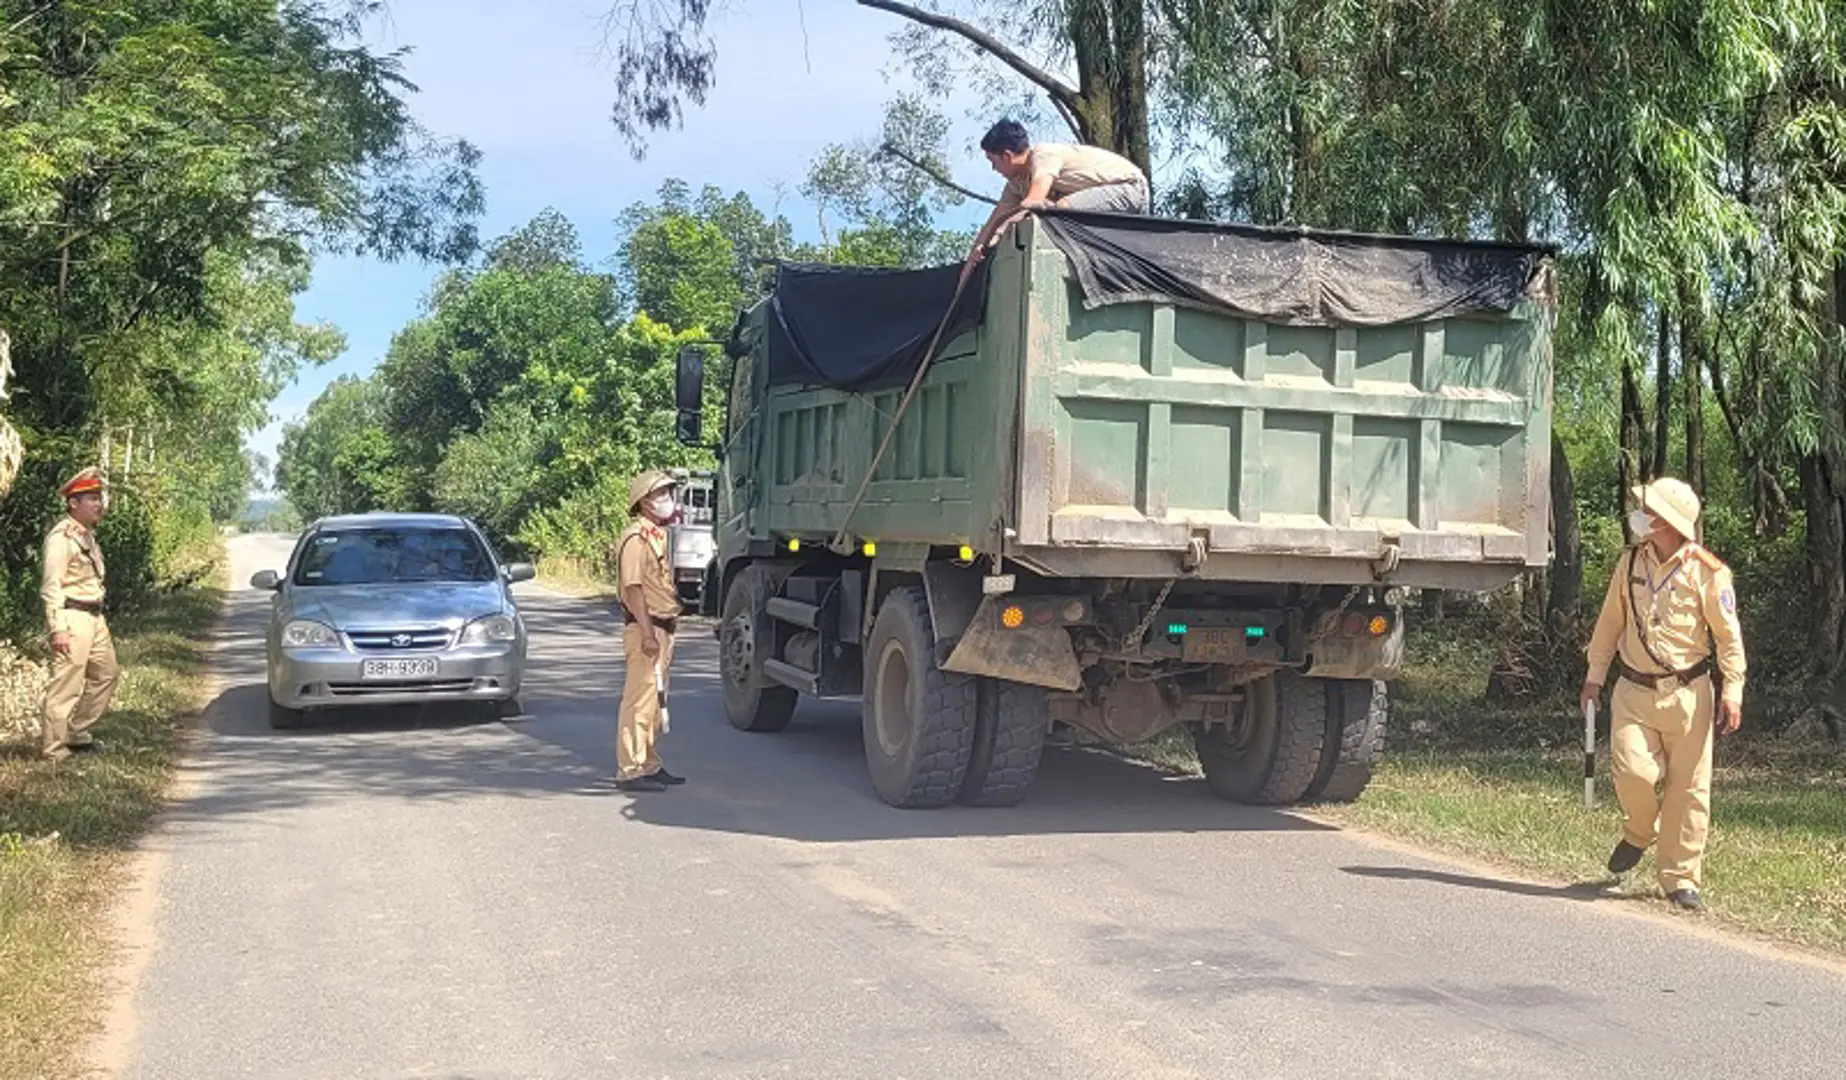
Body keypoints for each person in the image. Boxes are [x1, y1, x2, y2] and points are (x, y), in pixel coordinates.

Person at [1581, 476, 1746, 911]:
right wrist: (1594, 675)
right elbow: (1609, 622)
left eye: (1650, 513)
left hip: (1689, 695)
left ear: (1670, 523)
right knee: (1632, 770)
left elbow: (1728, 638)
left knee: (1689, 790)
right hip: (1633, 691)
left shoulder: (1709, 573)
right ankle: (1639, 831)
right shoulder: (1630, 563)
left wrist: (1733, 689)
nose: (1642, 517)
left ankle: (1680, 878)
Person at [962, 119, 1149, 277]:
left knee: (1056, 210)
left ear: (1007, 156)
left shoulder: (1044, 155)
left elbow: (1034, 201)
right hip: (1102, 201)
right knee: (1050, 212)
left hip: (1129, 189)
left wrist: (1006, 228)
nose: (993, 169)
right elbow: (995, 222)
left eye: (993, 162)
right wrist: (977, 252)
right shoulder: (1016, 184)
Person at [39, 467, 121, 763]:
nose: (99, 504)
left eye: (99, 498)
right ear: (73, 504)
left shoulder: (85, 534)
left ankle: (75, 733)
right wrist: (57, 627)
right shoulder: (62, 537)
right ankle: (54, 749)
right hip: (72, 616)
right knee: (66, 685)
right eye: (91, 499)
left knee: (107, 674)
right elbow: (52, 586)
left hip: (94, 617)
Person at [614, 470, 687, 793]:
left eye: (668, 493)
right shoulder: (635, 539)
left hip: (662, 627)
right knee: (639, 702)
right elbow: (634, 590)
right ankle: (630, 769)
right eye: (660, 494)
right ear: (644, 502)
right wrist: (647, 634)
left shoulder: (655, 535)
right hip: (647, 628)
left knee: (655, 703)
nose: (666, 500)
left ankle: (649, 762)